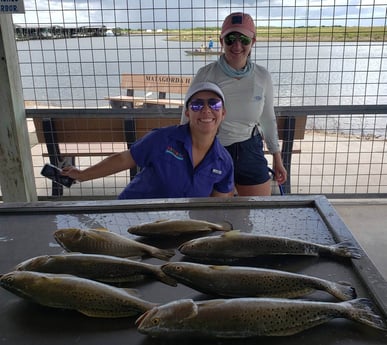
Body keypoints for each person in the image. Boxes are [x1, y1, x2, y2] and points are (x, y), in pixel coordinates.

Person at [61, 82, 234, 199]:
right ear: (187, 112)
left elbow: (216, 207)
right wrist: (82, 175)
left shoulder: (224, 162)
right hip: (135, 213)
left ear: (223, 113)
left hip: (179, 228)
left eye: (214, 104)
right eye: (197, 104)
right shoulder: (162, 139)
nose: (206, 110)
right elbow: (123, 159)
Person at [182, 12, 287, 196]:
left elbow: (268, 120)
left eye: (244, 39)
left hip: (249, 149)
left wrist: (277, 159)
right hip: (212, 149)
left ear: (253, 42)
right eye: (230, 39)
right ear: (221, 42)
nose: (237, 46)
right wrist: (183, 160)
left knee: (258, 212)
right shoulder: (205, 75)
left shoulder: (262, 76)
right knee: (213, 217)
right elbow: (186, 118)